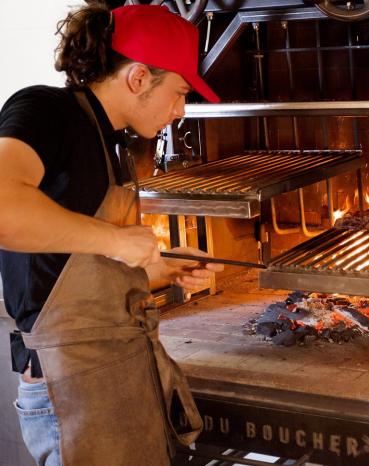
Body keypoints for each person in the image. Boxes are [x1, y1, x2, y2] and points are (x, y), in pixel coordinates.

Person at [0, 3, 223, 465]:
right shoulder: (46, 110)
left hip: (118, 376)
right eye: (179, 93)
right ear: (139, 77)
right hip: (73, 390)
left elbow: (77, 270)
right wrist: (119, 241)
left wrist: (160, 266)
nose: (180, 110)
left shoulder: (115, 143)